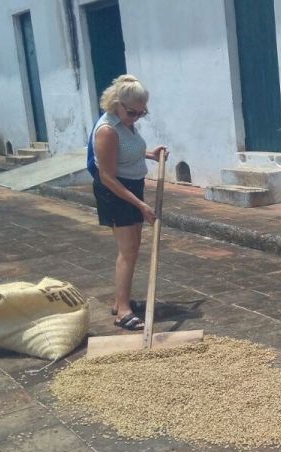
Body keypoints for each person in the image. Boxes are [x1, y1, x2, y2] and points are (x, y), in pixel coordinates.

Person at [88, 74, 167, 330]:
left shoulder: (125, 123)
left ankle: (121, 300)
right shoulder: (107, 130)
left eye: (142, 114)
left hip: (132, 186)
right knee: (128, 250)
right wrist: (140, 205)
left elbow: (125, 149)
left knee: (132, 248)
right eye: (133, 112)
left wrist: (149, 154)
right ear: (117, 104)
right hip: (116, 192)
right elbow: (107, 177)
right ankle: (122, 311)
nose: (136, 118)